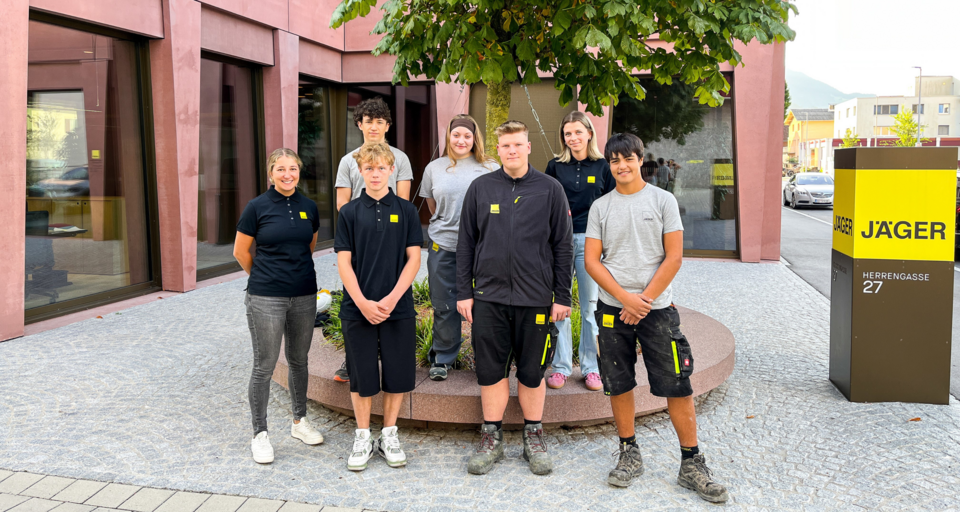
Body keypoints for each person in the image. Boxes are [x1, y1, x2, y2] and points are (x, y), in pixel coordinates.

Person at [584, 133, 728, 502]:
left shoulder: (663, 200)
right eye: (614, 161)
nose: (621, 166)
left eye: (627, 159)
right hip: (613, 309)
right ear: (610, 165)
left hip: (657, 310)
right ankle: (629, 451)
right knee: (619, 382)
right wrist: (624, 300)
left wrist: (643, 301)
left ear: (639, 158)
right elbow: (591, 261)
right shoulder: (601, 206)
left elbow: (674, 256)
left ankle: (692, 462)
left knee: (677, 382)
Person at [457, 120, 573, 476]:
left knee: (532, 371)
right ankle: (491, 436)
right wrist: (464, 291)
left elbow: (563, 246)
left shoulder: (550, 189)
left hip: (535, 298)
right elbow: (466, 244)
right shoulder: (480, 188)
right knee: (491, 371)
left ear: (528, 147)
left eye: (517, 145)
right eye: (505, 145)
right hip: (489, 297)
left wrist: (562, 296)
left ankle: (533, 436)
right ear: (498, 149)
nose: (511, 151)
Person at [334, 143, 423, 471]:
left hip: (396, 307)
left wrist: (390, 300)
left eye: (381, 168)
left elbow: (413, 259)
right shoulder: (349, 213)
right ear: (360, 172)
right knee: (361, 374)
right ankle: (362, 435)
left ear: (391, 171)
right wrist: (362, 302)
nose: (375, 174)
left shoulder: (407, 210)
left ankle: (388, 434)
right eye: (368, 168)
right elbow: (344, 263)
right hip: (358, 307)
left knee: (398, 373)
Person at [234, 148, 325, 464]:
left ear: (299, 172)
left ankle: (299, 422)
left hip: (303, 294)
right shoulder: (256, 207)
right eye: (281, 169)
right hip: (265, 297)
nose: (288, 175)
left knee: (299, 360)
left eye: (293, 169)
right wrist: (263, 277)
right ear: (271, 173)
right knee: (265, 364)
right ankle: (260, 434)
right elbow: (241, 251)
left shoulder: (309, 207)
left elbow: (308, 246)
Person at [333, 96, 415, 384]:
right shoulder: (348, 161)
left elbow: (403, 202)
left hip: (392, 235)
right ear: (360, 125)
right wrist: (361, 222)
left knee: (392, 292)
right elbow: (342, 202)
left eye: (380, 122)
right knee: (356, 296)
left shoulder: (400, 159)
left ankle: (390, 357)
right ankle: (352, 360)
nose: (374, 128)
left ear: (387, 126)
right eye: (369, 122)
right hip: (358, 237)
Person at [419, 114, 495, 381]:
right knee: (445, 305)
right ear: (448, 137)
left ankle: (484, 358)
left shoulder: (490, 167)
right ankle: (443, 357)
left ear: (475, 139)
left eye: (467, 135)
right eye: (456, 134)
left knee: (485, 305)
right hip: (444, 246)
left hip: (483, 249)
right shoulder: (434, 168)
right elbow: (432, 208)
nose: (461, 140)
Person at [543, 111, 615, 392]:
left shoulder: (603, 167)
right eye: (567, 133)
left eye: (577, 132)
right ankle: (560, 368)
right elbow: (546, 205)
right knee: (560, 306)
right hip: (558, 242)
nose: (572, 138)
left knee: (589, 308)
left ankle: (591, 368)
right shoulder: (554, 167)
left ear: (589, 133)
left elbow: (611, 207)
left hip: (591, 242)